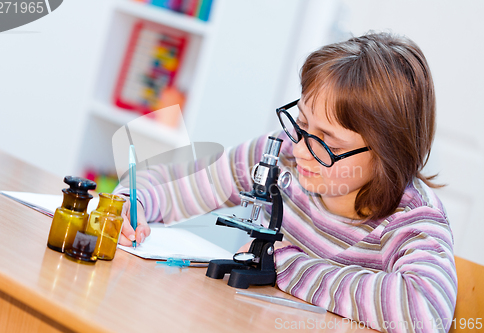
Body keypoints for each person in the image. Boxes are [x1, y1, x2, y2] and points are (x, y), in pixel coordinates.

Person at [113, 32, 456, 332]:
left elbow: (424, 314)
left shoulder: (414, 221)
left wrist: (284, 265)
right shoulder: (280, 155)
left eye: (328, 144)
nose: (300, 149)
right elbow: (177, 184)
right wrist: (133, 203)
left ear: (389, 153)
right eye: (301, 123)